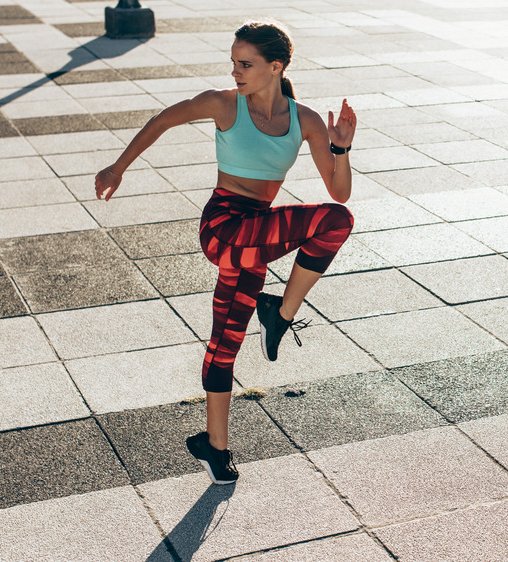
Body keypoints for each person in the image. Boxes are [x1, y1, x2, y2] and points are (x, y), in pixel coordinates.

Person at [95, 20, 355, 485]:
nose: (235, 71)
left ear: (276, 67)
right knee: (332, 224)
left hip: (255, 240)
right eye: (233, 62)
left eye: (245, 64)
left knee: (225, 342)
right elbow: (162, 120)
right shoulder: (223, 104)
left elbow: (339, 191)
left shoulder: (306, 121)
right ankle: (279, 311)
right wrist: (118, 166)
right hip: (225, 228)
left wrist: (341, 146)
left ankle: (214, 448)